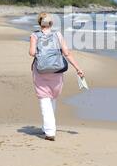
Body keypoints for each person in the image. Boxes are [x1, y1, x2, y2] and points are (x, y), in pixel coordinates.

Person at [29, 13, 84, 141]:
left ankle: (49, 131)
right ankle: (47, 126)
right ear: (51, 24)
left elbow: (32, 53)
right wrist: (78, 69)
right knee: (52, 98)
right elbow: (67, 53)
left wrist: (40, 52)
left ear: (39, 23)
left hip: (41, 71)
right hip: (57, 70)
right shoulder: (57, 35)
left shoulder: (34, 35)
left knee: (44, 99)